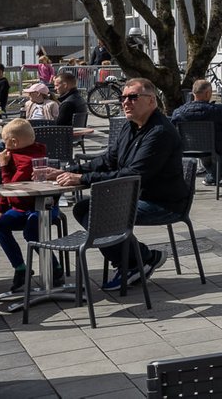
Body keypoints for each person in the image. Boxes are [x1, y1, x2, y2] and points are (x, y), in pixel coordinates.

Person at [36, 77, 184, 288]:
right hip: (135, 195)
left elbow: (133, 175)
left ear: (151, 101)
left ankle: (136, 261)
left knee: (97, 214)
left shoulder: (160, 133)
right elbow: (108, 160)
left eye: (133, 97)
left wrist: (82, 179)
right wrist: (69, 171)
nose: (125, 102)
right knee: (83, 208)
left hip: (161, 202)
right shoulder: (130, 126)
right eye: (123, 97)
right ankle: (141, 258)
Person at [0, 118, 59, 293]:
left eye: (4, 141)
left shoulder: (29, 160)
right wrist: (1, 210)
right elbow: (5, 192)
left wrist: (4, 167)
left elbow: (11, 187)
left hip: (44, 207)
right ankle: (21, 268)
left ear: (14, 142)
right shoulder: (16, 154)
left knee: (32, 231)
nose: (3, 146)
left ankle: (54, 268)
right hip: (22, 208)